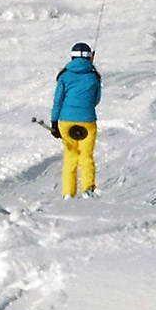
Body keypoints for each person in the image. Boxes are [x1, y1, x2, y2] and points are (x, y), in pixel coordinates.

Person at [50, 42, 101, 198]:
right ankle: (88, 190)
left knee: (70, 157)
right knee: (86, 156)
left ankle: (68, 193)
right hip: (87, 121)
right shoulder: (93, 76)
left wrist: (54, 122)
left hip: (66, 122)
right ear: (89, 57)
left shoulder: (64, 76)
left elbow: (58, 101)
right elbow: (96, 99)